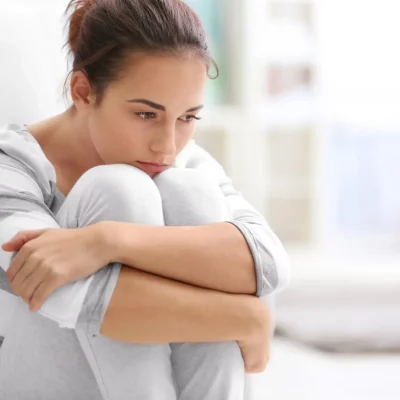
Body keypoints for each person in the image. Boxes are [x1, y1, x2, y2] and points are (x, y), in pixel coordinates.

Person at [0, 0, 290, 399]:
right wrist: (244, 317)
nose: (167, 146)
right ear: (83, 91)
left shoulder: (184, 163)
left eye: (188, 117)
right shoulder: (11, 166)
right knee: (117, 188)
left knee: (190, 191)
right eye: (145, 115)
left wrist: (106, 241)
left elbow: (266, 262)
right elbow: (57, 291)